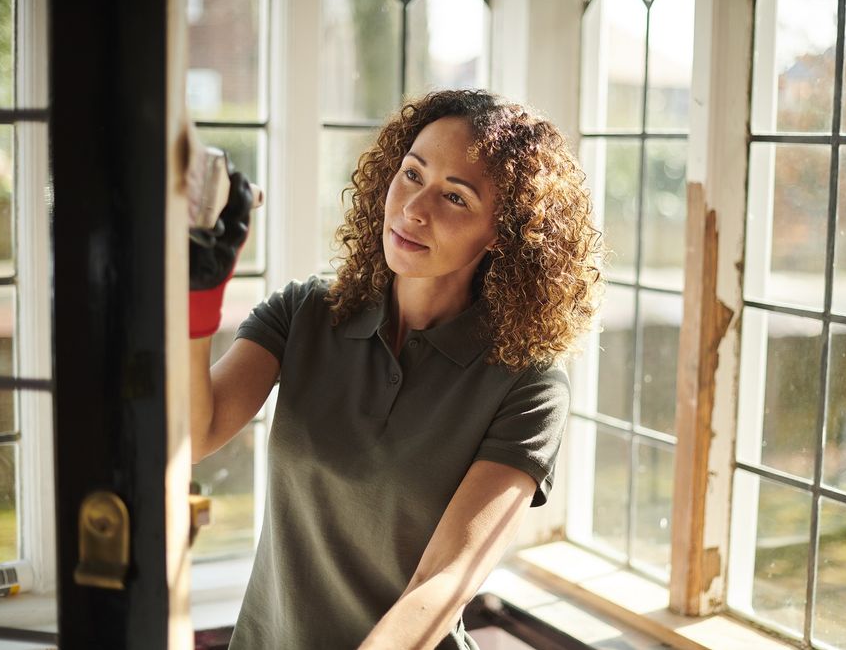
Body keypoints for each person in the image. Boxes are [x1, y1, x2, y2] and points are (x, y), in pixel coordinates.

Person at [188, 89, 602, 649]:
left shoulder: (528, 384)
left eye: (455, 198)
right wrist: (198, 296)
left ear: (505, 233)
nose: (414, 209)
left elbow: (446, 580)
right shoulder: (307, 312)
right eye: (412, 174)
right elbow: (194, 433)